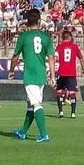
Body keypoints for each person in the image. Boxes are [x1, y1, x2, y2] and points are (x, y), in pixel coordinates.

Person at [11, 8, 56, 142]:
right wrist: (52, 76)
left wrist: (11, 70)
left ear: (27, 22)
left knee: (36, 104)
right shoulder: (46, 37)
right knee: (31, 104)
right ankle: (22, 132)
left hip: (30, 74)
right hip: (41, 74)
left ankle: (44, 134)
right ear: (39, 21)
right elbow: (51, 57)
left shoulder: (23, 37)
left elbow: (15, 56)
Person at [54, 30, 84, 118]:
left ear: (63, 37)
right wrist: (83, 69)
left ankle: (60, 112)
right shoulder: (74, 46)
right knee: (72, 92)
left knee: (59, 92)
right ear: (69, 37)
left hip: (61, 72)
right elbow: (81, 59)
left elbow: (54, 57)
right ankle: (73, 113)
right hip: (71, 73)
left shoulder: (59, 46)